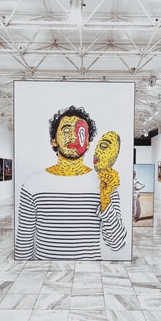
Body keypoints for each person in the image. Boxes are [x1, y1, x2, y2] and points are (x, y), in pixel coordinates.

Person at [15, 106, 127, 260]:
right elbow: (24, 241)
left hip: (88, 276)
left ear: (87, 142)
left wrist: (105, 200)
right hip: (45, 275)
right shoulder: (32, 184)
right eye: (66, 130)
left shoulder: (105, 184)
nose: (73, 137)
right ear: (54, 140)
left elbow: (117, 243)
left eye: (80, 132)